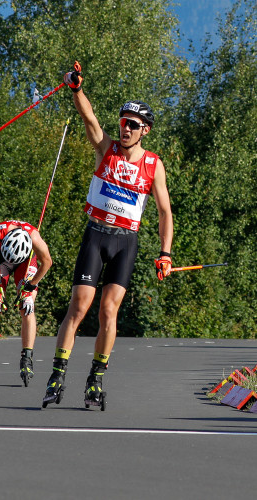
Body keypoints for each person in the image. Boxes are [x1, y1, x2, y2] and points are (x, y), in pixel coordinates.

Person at [42, 62, 173, 409]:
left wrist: (165, 253)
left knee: (109, 311)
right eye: (123, 122)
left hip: (125, 241)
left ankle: (96, 380)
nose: (125, 128)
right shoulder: (107, 148)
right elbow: (89, 119)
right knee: (80, 306)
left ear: (144, 130)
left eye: (132, 125)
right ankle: (57, 374)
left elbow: (164, 212)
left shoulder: (153, 165)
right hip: (97, 235)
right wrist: (76, 89)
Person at [0, 220, 53, 387]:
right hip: (0, 257)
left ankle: (27, 358)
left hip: (26, 261)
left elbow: (47, 262)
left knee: (27, 306)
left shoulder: (34, 237)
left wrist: (31, 287)